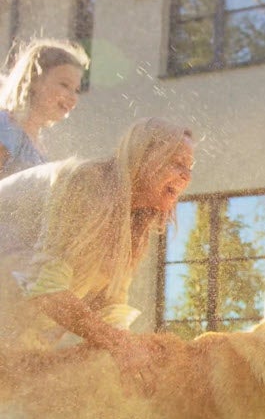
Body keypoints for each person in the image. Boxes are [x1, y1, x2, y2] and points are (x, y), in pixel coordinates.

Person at [0, 116, 195, 394]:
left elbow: (109, 305)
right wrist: (119, 344)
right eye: (177, 163)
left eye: (189, 167)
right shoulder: (88, 185)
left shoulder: (133, 222)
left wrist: (130, 347)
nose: (187, 176)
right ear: (145, 155)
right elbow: (45, 289)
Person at [0, 37, 89, 179]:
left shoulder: (39, 149)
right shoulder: (5, 127)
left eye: (77, 90)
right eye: (64, 85)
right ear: (34, 79)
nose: (73, 97)